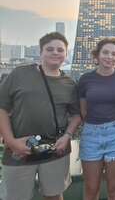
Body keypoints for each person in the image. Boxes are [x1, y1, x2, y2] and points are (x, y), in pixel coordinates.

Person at [0, 32, 81, 200]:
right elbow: (2, 108)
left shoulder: (70, 83)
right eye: (49, 49)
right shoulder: (19, 74)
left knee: (54, 195)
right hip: (19, 151)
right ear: (40, 52)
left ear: (66, 54)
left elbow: (76, 114)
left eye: (60, 49)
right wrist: (11, 141)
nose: (55, 52)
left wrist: (67, 136)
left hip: (55, 149)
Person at [78, 37, 115, 200]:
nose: (109, 57)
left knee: (114, 187)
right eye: (106, 52)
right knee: (91, 188)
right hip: (91, 135)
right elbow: (83, 110)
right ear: (97, 55)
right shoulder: (85, 79)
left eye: (114, 54)